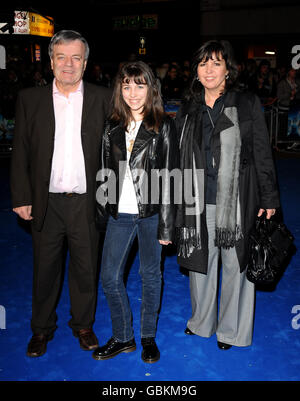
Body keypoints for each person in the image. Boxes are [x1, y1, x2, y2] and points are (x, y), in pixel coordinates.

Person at [10, 30, 111, 357]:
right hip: (46, 202)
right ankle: (41, 329)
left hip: (87, 200)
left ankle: (83, 325)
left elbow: (117, 151)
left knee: (86, 267)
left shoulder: (103, 98)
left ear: (86, 63)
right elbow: (21, 151)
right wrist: (21, 196)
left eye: (76, 57)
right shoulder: (30, 99)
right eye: (62, 57)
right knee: (45, 268)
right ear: (51, 61)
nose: (69, 64)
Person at [175, 40, 280, 350]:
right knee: (199, 265)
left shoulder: (246, 103)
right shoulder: (188, 108)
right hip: (198, 199)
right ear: (195, 70)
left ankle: (231, 330)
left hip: (236, 202)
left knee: (236, 266)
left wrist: (269, 198)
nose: (209, 69)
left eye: (216, 63)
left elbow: (261, 151)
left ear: (228, 70)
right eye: (203, 63)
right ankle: (201, 322)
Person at [92, 61, 178, 363]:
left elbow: (171, 178)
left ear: (150, 88)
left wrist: (168, 226)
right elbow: (104, 171)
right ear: (120, 89)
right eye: (126, 85)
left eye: (139, 85)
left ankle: (147, 337)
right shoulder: (111, 126)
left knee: (150, 276)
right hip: (119, 214)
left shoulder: (163, 126)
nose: (132, 92)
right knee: (110, 277)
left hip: (152, 213)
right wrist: (101, 213)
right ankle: (123, 336)